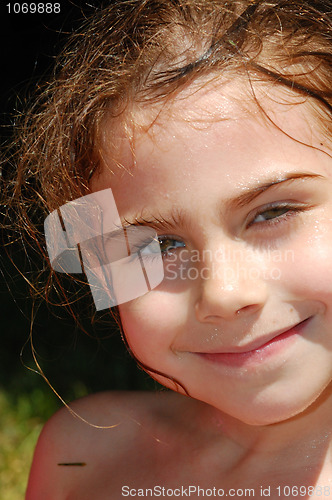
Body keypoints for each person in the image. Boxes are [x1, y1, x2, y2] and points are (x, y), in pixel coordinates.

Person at [7, 0, 331, 498]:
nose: (224, 293)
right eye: (158, 245)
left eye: (273, 212)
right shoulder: (84, 455)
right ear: (103, 275)